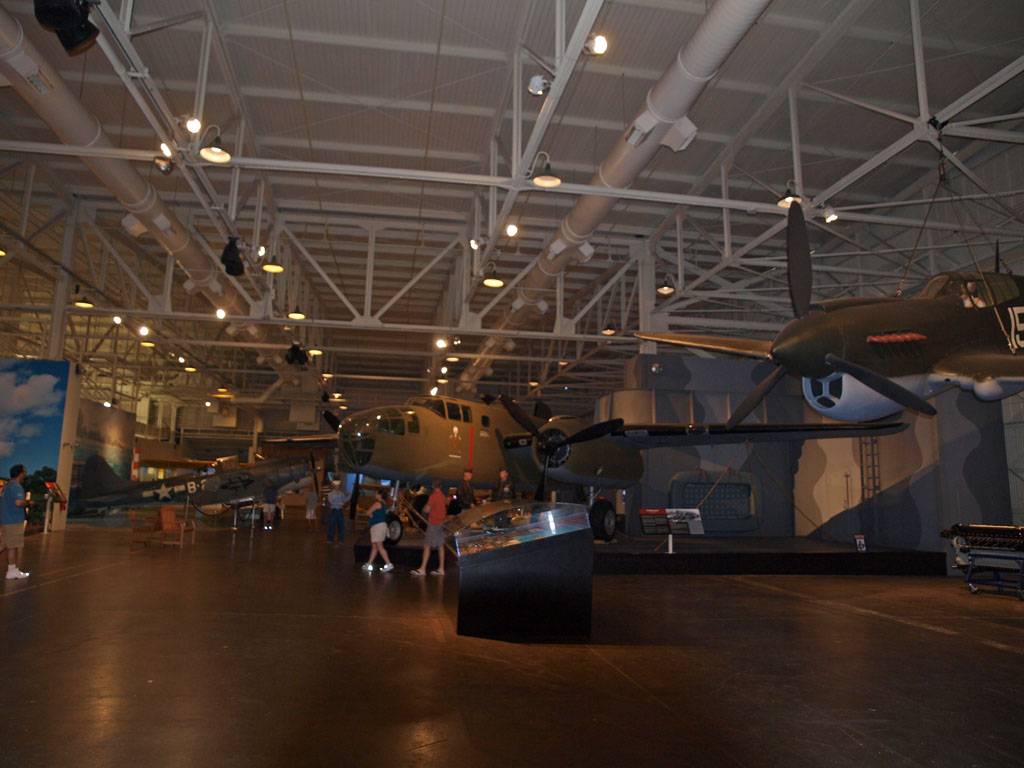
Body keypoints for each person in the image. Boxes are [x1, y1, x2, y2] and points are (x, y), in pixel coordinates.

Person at [412, 480, 448, 576]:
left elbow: (427, 510)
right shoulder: (442, 496)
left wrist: (423, 508)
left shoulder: (433, 496)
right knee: (440, 546)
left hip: (433, 524)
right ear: (440, 487)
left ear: (433, 487)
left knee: (427, 545)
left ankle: (422, 569)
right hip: (441, 523)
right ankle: (441, 569)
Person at [1, 465, 30, 580]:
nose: (25, 474)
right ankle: (12, 571)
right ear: (20, 473)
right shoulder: (16, 487)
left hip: (6, 520)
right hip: (13, 521)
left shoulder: (7, 486)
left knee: (4, 544)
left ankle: (12, 570)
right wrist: (28, 502)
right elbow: (18, 502)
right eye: (24, 472)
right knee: (12, 546)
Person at [362, 490, 394, 572]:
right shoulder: (384, 504)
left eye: (376, 493)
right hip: (381, 526)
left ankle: (389, 564)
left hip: (378, 526)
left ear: (379, 495)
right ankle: (369, 563)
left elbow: (368, 512)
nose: (375, 494)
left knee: (379, 546)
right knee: (375, 546)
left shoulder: (377, 504)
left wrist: (370, 515)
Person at [326, 480, 349, 546]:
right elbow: (331, 502)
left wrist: (349, 495)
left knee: (341, 526)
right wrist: (340, 503)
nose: (337, 487)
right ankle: (330, 539)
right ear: (334, 486)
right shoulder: (330, 494)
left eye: (338, 485)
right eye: (336, 485)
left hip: (339, 510)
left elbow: (344, 500)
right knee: (331, 525)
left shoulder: (341, 493)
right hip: (334, 510)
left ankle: (340, 540)